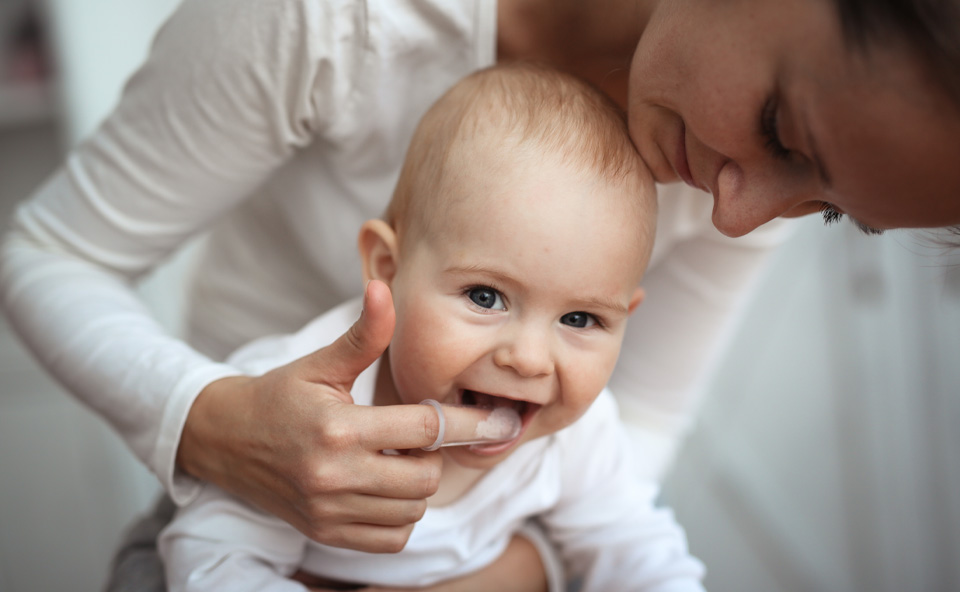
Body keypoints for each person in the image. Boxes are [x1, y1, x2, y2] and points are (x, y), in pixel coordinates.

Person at [0, 0, 957, 589]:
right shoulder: (333, 20)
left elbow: (632, 482)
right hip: (252, 482)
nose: (744, 219)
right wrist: (210, 423)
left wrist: (519, 574)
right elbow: (48, 254)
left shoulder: (572, 432)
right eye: (783, 130)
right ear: (382, 265)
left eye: (828, 209)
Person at [159, 62, 704, 592]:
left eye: (580, 319)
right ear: (388, 269)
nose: (531, 359)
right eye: (485, 297)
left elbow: (635, 549)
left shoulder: (577, 436)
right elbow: (211, 566)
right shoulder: (294, 412)